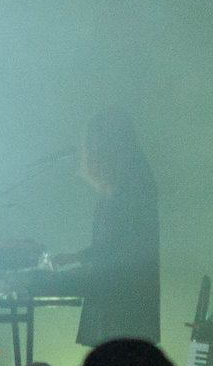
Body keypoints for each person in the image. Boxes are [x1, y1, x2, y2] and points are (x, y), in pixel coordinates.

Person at [45, 108, 161, 347]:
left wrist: (81, 260)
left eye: (95, 141)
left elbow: (126, 240)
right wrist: (82, 260)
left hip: (126, 296)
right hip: (115, 292)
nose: (90, 149)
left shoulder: (135, 180)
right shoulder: (125, 180)